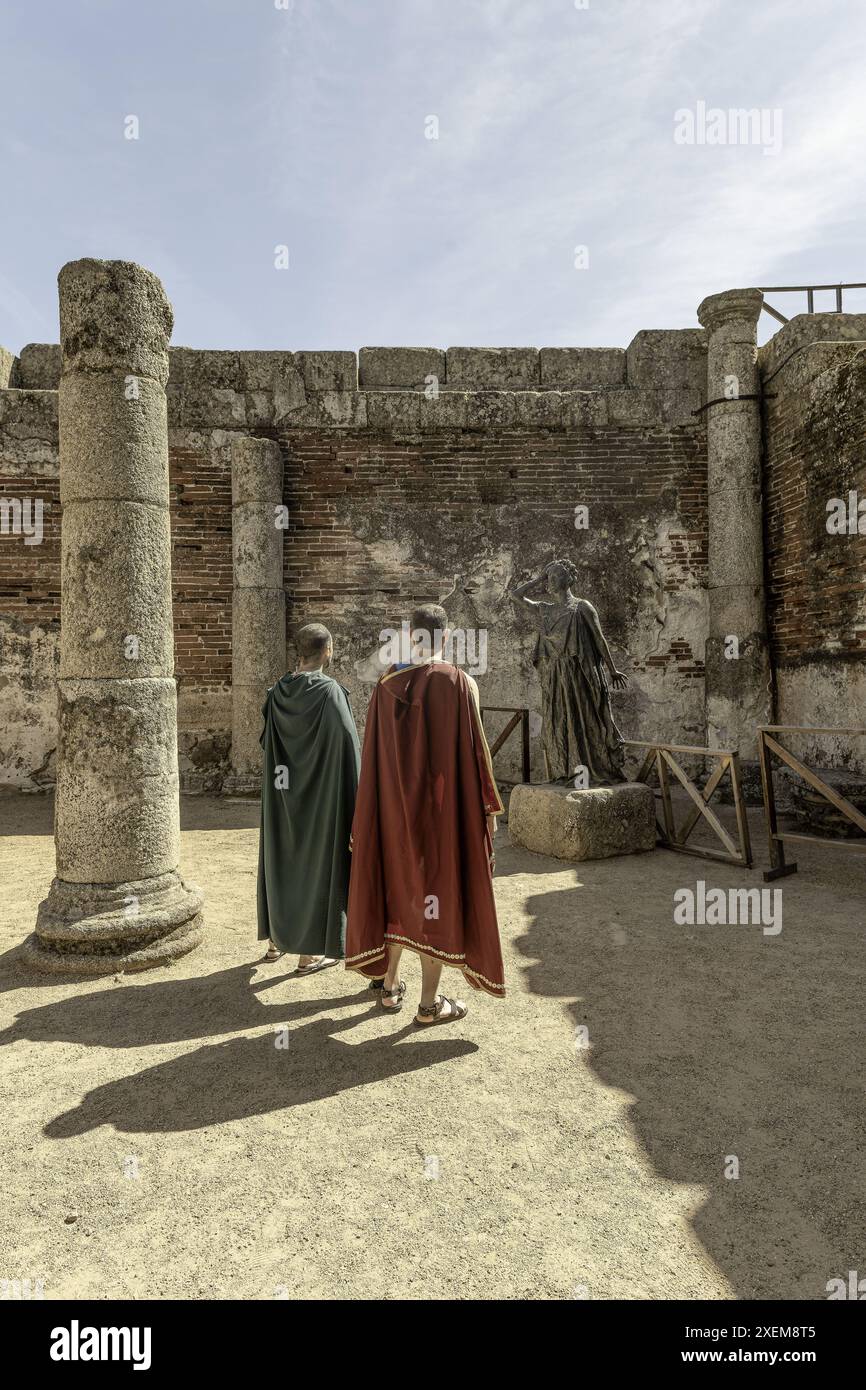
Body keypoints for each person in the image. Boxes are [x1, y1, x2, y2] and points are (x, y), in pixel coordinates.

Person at [345, 603, 505, 1024]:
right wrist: (488, 809)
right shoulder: (459, 683)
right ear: (447, 638)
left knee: (399, 892)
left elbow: (374, 760)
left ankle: (390, 989)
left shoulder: (383, 687)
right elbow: (476, 758)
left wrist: (371, 818)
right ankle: (429, 1006)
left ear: (410, 636)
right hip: (441, 816)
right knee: (435, 898)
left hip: (394, 814)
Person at [257, 623, 361, 973]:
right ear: (328, 651)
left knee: (282, 860)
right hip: (319, 797)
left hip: (282, 794)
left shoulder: (276, 692)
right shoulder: (331, 693)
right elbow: (349, 749)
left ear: (297, 653)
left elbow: (267, 742)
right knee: (317, 865)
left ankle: (275, 941)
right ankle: (309, 953)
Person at [510, 558, 628, 785]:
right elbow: (515, 596)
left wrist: (612, 670)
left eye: (555, 576)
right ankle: (564, 771)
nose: (551, 581)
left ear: (569, 579)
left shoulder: (582, 606)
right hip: (555, 675)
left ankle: (592, 769)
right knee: (559, 721)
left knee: (586, 719)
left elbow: (599, 638)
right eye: (549, 577)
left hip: (580, 673)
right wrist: (539, 578)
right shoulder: (545, 610)